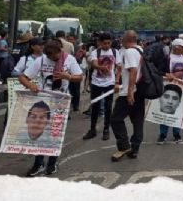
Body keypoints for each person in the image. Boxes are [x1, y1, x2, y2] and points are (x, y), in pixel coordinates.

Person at [18, 39, 83, 176]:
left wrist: (68, 76)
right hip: (44, 101)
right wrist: (31, 85)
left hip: (61, 101)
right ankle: (38, 163)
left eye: (55, 56)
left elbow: (80, 77)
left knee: (55, 133)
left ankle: (52, 164)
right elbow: (23, 77)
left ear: (60, 51)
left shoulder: (69, 59)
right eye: (49, 56)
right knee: (41, 133)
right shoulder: (41, 60)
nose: (53, 59)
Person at [110, 30, 145, 162]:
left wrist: (130, 92)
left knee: (115, 119)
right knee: (137, 121)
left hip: (129, 92)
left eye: (122, 39)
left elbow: (133, 71)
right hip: (140, 92)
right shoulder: (140, 50)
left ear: (126, 39)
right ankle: (134, 149)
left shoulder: (130, 51)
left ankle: (124, 146)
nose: (120, 41)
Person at [83, 33, 118, 141]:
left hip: (110, 83)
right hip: (96, 83)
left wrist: (116, 81)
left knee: (108, 108)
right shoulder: (95, 52)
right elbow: (94, 64)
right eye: (104, 43)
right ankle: (92, 129)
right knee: (95, 107)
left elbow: (120, 67)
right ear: (100, 43)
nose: (107, 45)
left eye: (108, 43)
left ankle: (106, 129)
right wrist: (101, 67)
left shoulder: (115, 52)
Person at [158, 39, 183, 144]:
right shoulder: (167, 58)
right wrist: (166, 74)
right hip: (169, 88)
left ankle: (177, 134)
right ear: (176, 47)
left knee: (179, 111)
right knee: (166, 111)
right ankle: (163, 135)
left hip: (182, 88)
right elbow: (158, 70)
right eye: (182, 46)